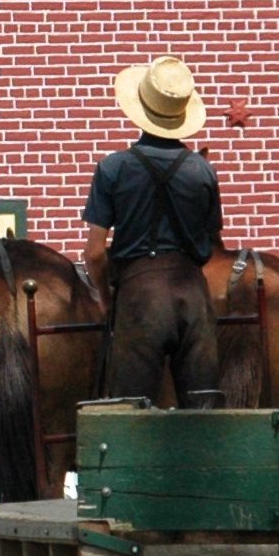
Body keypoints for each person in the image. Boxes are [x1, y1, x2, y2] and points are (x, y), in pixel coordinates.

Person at [81, 54, 228, 409]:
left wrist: (105, 296)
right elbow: (210, 246)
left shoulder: (113, 169)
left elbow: (95, 253)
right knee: (205, 411)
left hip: (139, 298)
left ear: (141, 108)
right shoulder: (202, 172)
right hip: (193, 295)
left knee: (130, 412)